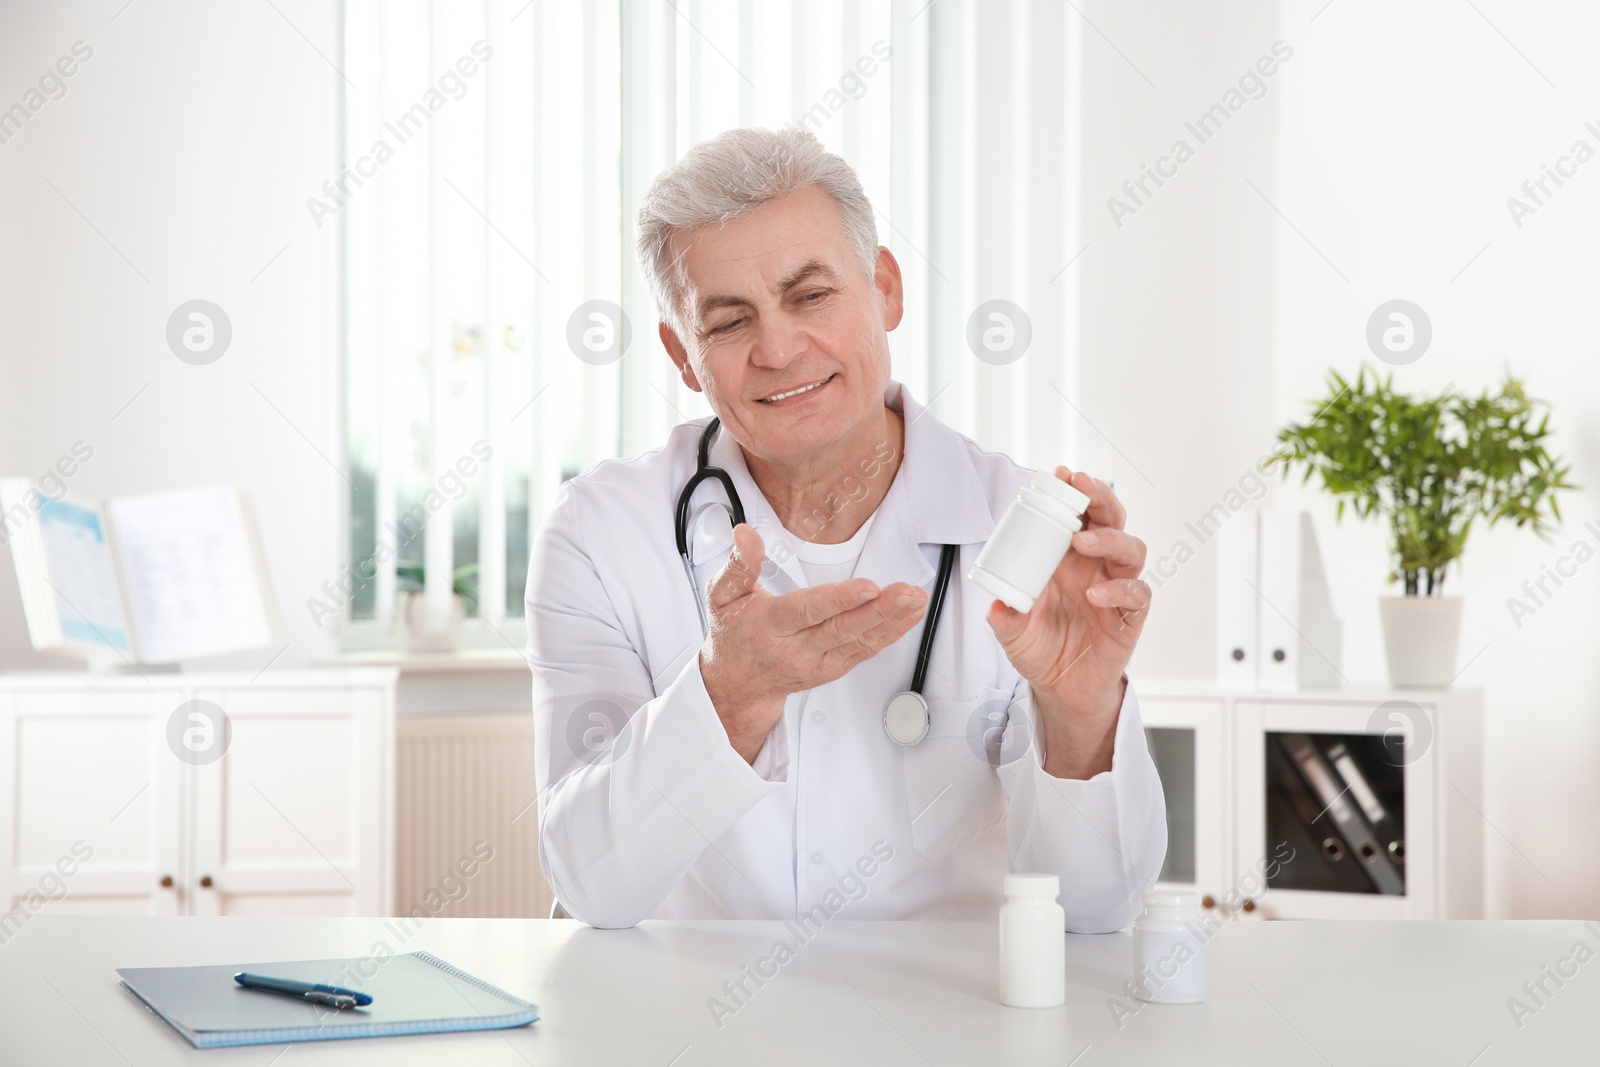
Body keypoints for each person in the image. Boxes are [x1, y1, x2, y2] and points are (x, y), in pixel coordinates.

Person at [526, 126, 1165, 931]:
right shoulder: (600, 531)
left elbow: (1096, 911)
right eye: (727, 322)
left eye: (811, 295)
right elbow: (590, 885)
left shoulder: (1022, 534)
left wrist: (1079, 712)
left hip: (939, 1027)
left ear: (886, 288)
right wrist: (732, 694)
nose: (779, 348)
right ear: (682, 355)